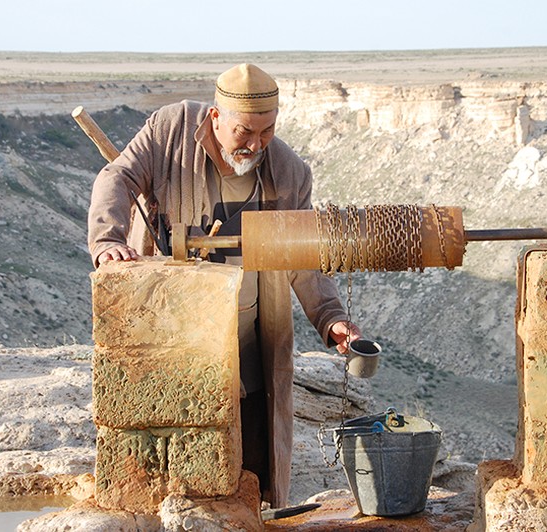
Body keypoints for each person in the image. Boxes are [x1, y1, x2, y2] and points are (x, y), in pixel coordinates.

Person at [87, 63, 360, 507]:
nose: (256, 144)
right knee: (174, 478)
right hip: (174, 344)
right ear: (215, 118)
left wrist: (332, 320)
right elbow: (117, 177)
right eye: (244, 133)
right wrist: (107, 242)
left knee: (253, 479)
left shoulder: (290, 173)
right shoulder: (169, 130)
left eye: (267, 132)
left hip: (250, 348)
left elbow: (305, 259)